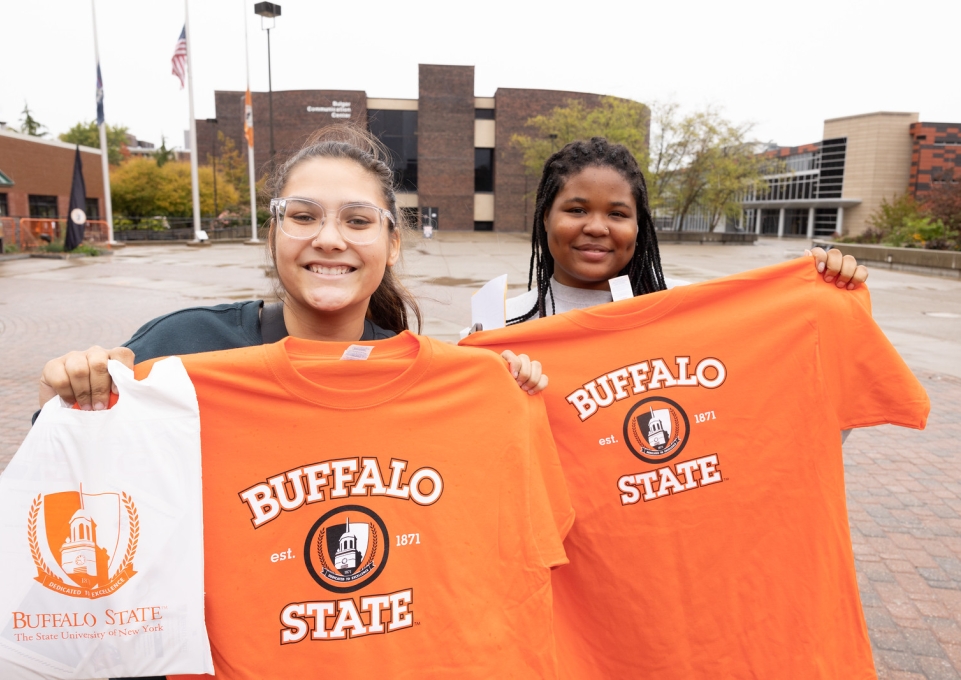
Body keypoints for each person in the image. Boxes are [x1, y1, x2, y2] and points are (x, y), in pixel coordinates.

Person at [37, 126, 546, 415]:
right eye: (303, 216)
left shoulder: (410, 373)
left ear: (392, 244)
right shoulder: (185, 343)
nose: (328, 238)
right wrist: (66, 384)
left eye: (357, 220)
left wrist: (505, 390)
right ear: (273, 233)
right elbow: (60, 450)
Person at [504, 136, 867, 322]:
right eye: (577, 209)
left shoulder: (688, 310)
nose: (597, 227)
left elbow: (787, 395)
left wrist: (824, 297)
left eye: (617, 214)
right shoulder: (501, 324)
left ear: (639, 227)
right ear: (545, 218)